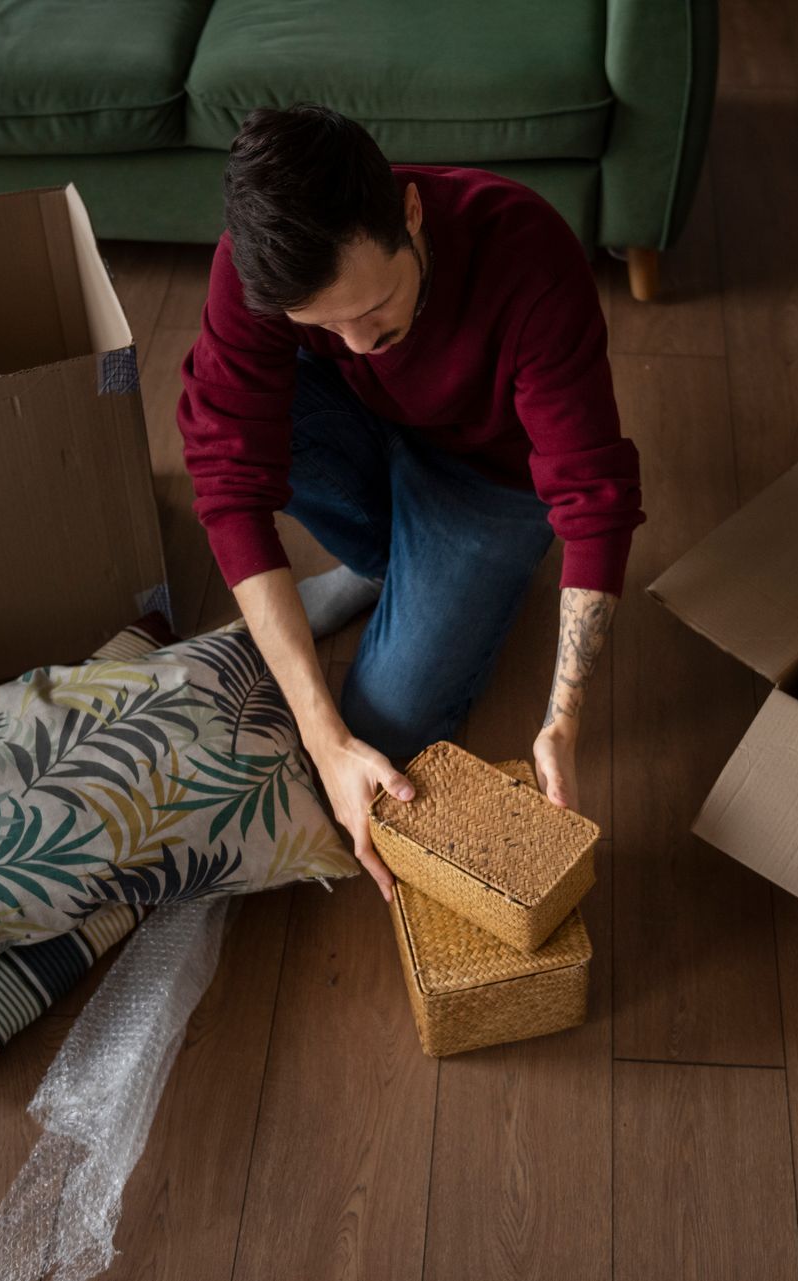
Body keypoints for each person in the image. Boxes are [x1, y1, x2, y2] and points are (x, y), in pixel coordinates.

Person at [176, 104, 644, 900]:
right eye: (326, 325)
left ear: (411, 213)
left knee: (383, 733)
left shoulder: (526, 255)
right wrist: (323, 741)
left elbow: (592, 495)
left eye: (374, 308)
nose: (359, 341)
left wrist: (562, 718)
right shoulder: (261, 269)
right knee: (340, 742)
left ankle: (415, 565)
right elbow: (228, 482)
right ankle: (393, 560)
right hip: (361, 420)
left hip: (487, 477)